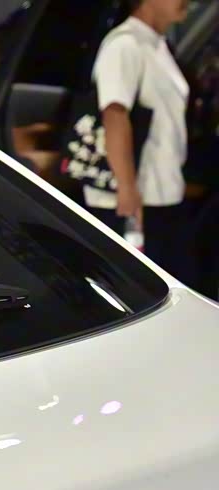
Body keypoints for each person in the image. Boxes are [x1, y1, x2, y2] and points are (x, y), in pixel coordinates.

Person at [85, 0, 197, 285]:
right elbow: (114, 113)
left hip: (161, 192)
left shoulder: (156, 44)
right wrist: (127, 188)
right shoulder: (126, 43)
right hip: (133, 200)